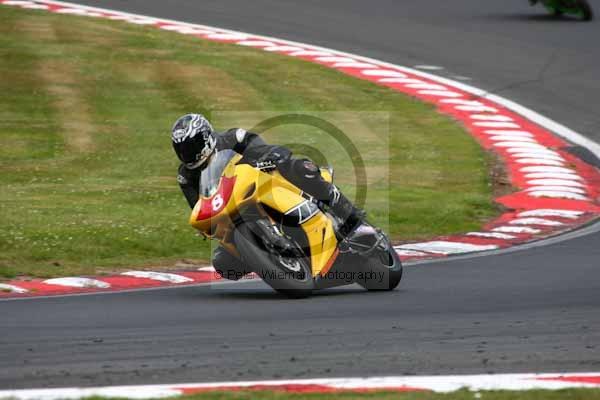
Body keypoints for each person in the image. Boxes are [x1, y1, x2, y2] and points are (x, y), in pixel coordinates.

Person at [171, 113, 364, 280]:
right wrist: (206, 225)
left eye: (192, 146)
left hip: (263, 180)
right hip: (231, 207)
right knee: (223, 263)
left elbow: (258, 147)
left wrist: (270, 156)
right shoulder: (185, 176)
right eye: (181, 150)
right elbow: (198, 204)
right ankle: (269, 262)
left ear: (206, 137)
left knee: (301, 168)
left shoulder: (232, 138)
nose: (187, 153)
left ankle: (349, 213)